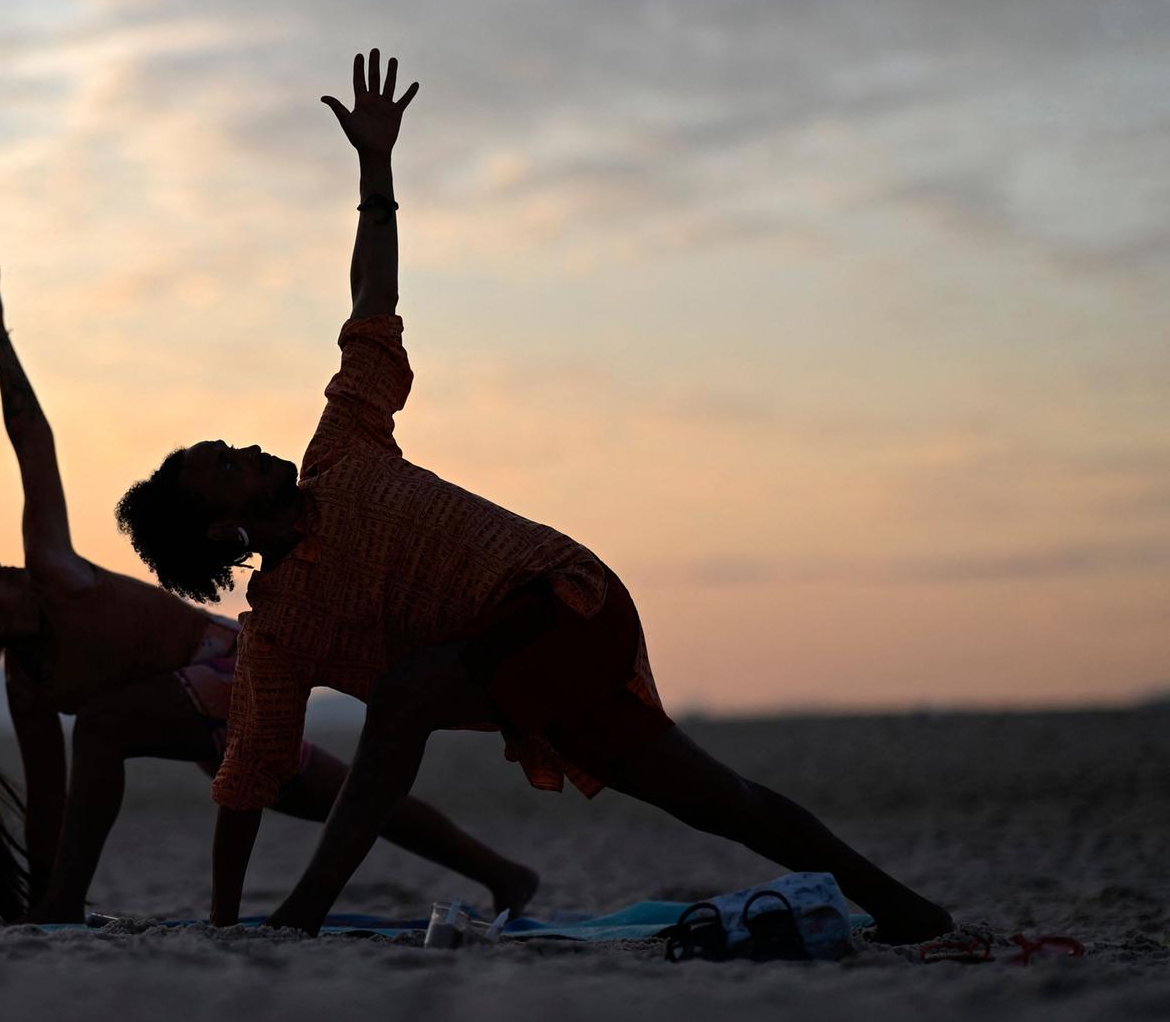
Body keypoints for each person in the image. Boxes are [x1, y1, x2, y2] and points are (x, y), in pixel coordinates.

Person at [116, 49, 956, 944]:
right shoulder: (281, 630)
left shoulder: (342, 449)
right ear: (224, 528)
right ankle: (908, 910)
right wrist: (220, 923)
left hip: (566, 601)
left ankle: (302, 916)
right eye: (227, 465)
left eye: (231, 446)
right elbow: (249, 775)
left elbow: (372, 305)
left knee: (405, 695)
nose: (248, 448)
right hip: (514, 668)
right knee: (716, 800)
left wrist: (376, 169)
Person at [0, 255, 540, 924]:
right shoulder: (29, 687)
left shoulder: (54, 574)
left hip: (229, 664)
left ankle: (68, 905)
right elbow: (49, 803)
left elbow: (32, 443)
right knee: (347, 798)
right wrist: (33, 907)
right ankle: (506, 876)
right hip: (199, 705)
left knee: (106, 726)